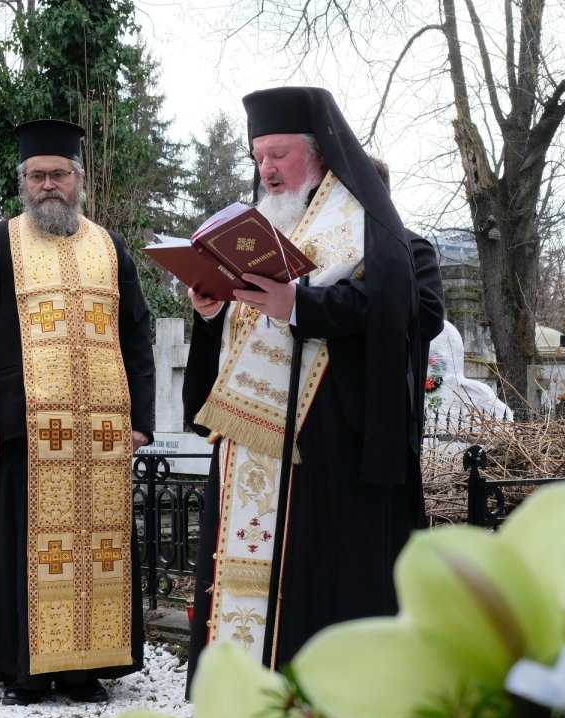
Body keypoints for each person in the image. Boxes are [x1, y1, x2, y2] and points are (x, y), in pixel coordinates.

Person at [183, 87, 444, 687]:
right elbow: (243, 335)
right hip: (251, 441)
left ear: (321, 155)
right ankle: (240, 690)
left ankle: (320, 694)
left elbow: (406, 314)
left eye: (278, 155)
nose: (266, 170)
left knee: (319, 574)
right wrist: (211, 309)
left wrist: (302, 304)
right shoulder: (258, 233)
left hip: (330, 445)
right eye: (258, 158)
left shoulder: (385, 241)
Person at [0, 119, 156, 706]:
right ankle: (25, 672)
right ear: (24, 182)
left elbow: (136, 335)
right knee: (27, 553)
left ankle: (87, 669)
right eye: (38, 175)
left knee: (99, 555)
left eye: (59, 174)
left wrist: (140, 417)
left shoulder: (109, 245)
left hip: (100, 436)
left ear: (78, 180)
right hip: (24, 431)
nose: (49, 185)